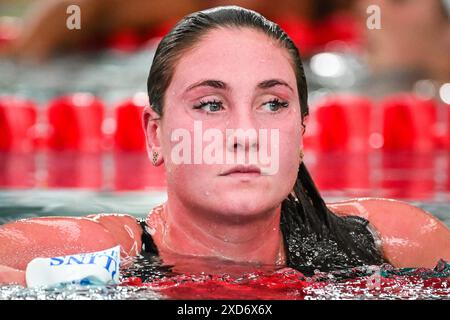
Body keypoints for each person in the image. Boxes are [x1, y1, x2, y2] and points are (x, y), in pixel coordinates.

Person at [1, 6, 449, 287]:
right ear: (155, 135)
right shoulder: (108, 252)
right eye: (211, 104)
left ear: (302, 133)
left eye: (273, 103)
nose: (245, 133)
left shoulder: (392, 243)